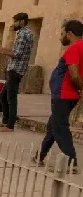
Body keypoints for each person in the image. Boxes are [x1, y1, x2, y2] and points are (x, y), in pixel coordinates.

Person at [33, 19, 83, 175]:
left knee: (59, 127)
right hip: (67, 95)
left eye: (62, 33)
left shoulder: (74, 48)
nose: (60, 37)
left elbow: (74, 73)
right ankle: (40, 155)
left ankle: (71, 162)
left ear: (70, 33)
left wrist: (81, 88)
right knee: (53, 125)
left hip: (64, 94)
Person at [0, 12, 35, 132]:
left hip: (16, 69)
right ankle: (5, 122)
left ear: (22, 21)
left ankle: (10, 125)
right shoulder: (24, 33)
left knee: (11, 98)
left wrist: (3, 51)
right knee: (3, 96)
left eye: (15, 21)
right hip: (14, 68)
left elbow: (17, 54)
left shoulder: (24, 33)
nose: (14, 24)